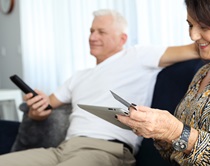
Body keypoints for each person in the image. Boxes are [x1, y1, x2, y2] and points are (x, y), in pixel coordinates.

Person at [0, 9, 198, 166]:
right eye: (91, 31)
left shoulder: (138, 56)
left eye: (101, 32)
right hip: (63, 150)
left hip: (105, 151)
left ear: (122, 39)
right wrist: (36, 108)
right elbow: (42, 110)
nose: (93, 37)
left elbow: (195, 48)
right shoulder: (78, 77)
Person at [117, 0, 210, 165]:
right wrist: (156, 130)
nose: (193, 36)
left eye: (204, 27)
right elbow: (175, 153)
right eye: (190, 26)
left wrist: (176, 132)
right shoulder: (203, 72)